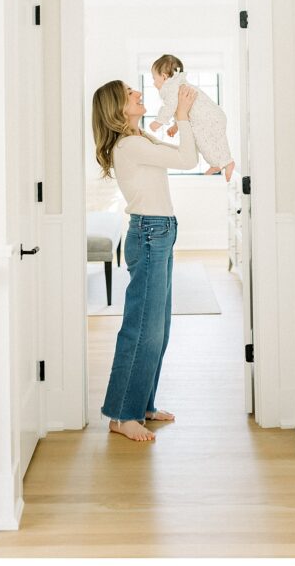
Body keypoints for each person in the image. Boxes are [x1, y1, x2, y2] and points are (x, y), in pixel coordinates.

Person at [91, 79, 197, 442]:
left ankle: (143, 404)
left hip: (160, 231)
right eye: (129, 93)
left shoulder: (141, 141)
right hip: (151, 233)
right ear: (118, 108)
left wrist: (181, 120)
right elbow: (187, 158)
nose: (138, 94)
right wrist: (181, 115)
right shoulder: (131, 144)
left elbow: (185, 152)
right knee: (142, 329)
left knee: (158, 328)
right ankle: (122, 414)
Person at [148, 54, 235, 181]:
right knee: (218, 141)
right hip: (215, 115)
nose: (154, 83)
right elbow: (185, 109)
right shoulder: (180, 84)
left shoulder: (169, 88)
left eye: (154, 78)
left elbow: (170, 106)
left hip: (204, 119)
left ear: (164, 77)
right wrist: (176, 125)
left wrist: (158, 122)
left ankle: (220, 163)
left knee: (201, 142)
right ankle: (223, 162)